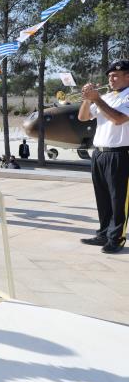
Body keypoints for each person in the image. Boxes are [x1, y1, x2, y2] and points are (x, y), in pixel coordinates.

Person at [78, 59, 129, 254]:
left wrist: (97, 99)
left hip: (120, 153)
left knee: (119, 199)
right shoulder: (106, 96)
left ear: (127, 76)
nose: (111, 79)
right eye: (109, 76)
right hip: (100, 153)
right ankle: (104, 233)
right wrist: (86, 98)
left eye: (116, 75)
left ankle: (117, 238)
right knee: (103, 197)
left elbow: (119, 119)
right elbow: (83, 117)